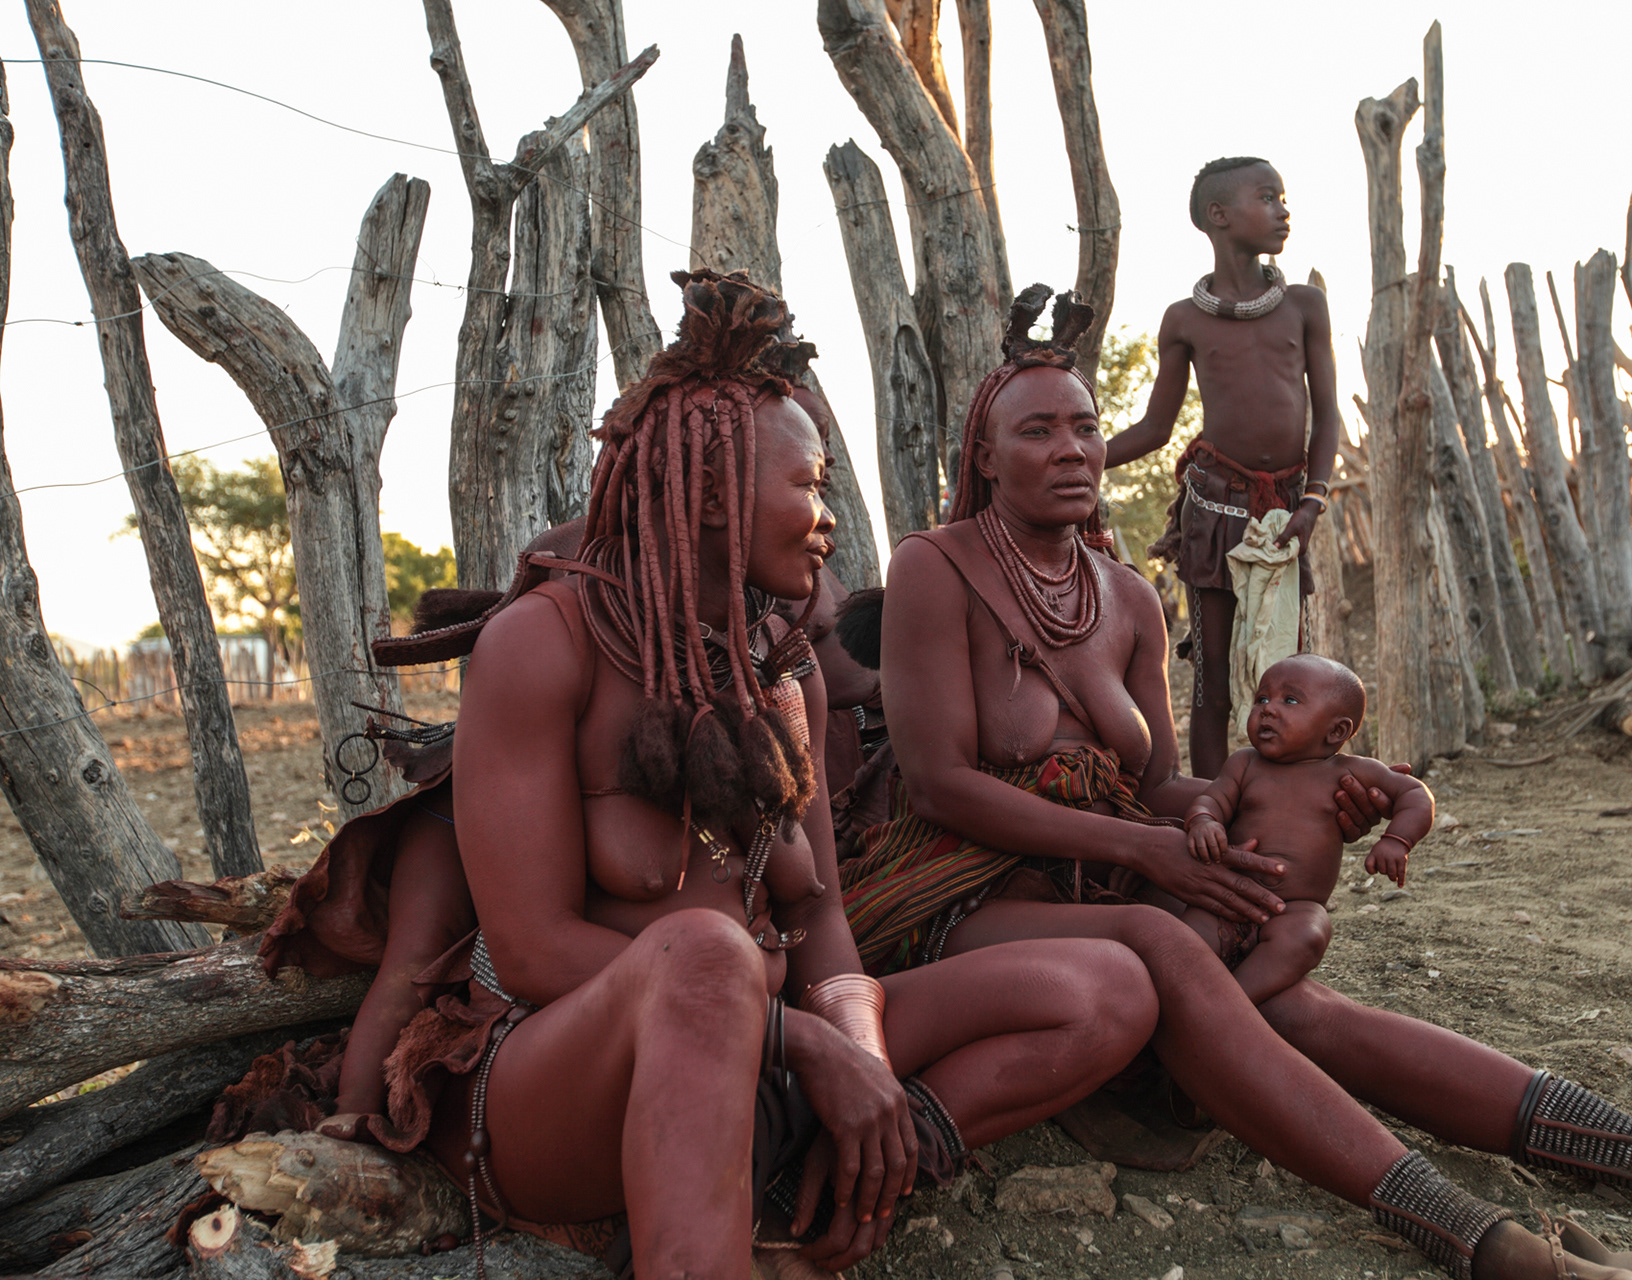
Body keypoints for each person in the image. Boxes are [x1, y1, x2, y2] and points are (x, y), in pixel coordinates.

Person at [843, 283, 1632, 1280]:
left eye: (1083, 426)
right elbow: (939, 786)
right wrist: (1147, 849)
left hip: (1099, 890)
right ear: (983, 453)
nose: (1070, 449)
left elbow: (1153, 783)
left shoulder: (1126, 596)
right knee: (1173, 941)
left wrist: (1265, 809)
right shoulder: (938, 566)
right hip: (961, 893)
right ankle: (1484, 1241)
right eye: (1035, 432)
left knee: (1289, 1005)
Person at [259, 272, 1159, 1279]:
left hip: (766, 1055)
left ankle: (829, 1179)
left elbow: (818, 920)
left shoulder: (779, 666)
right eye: (810, 487)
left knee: (1109, 986)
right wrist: (800, 1046)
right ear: (717, 492)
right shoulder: (543, 646)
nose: (827, 518)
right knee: (706, 954)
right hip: (556, 1082)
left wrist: (856, 1064)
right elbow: (535, 945)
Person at [1103, 156, 1338, 777]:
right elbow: (1157, 428)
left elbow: (1328, 418)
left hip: (1286, 514)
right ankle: (1210, 805)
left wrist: (1312, 503)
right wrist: (1079, 458)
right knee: (1211, 678)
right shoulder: (1185, 319)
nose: (1284, 209)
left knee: (1287, 675)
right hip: (1214, 510)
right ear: (1219, 216)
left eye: (1283, 197)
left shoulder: (1305, 306)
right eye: (1269, 197)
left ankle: (1284, 807)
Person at [1172, 653, 1431, 1002]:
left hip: (1292, 908)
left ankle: (1236, 1001)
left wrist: (1397, 840)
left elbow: (1415, 794)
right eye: (1262, 698)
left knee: (1309, 933)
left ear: (1337, 730)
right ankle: (1187, 998)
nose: (1268, 708)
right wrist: (1203, 821)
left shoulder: (1350, 771)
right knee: (1183, 938)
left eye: (1289, 700)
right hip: (1228, 896)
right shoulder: (1244, 764)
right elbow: (1212, 800)